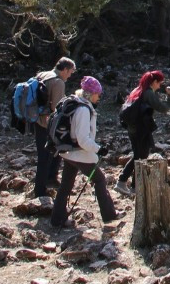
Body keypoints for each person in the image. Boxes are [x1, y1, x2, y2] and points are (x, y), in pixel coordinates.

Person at [50, 76, 119, 227]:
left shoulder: (75, 103)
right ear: (91, 94)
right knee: (99, 179)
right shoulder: (83, 109)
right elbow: (82, 139)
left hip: (68, 153)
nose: (99, 97)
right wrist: (99, 149)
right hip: (79, 154)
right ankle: (109, 215)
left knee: (66, 185)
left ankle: (57, 219)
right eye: (98, 94)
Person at [117, 70, 170, 192]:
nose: (159, 86)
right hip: (141, 129)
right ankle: (123, 182)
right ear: (154, 82)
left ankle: (133, 186)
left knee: (139, 155)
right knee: (140, 157)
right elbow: (163, 108)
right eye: (159, 83)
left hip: (132, 128)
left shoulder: (137, 90)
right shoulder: (148, 93)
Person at [33, 57, 75, 200]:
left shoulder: (42, 75)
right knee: (45, 156)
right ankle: (40, 190)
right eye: (70, 72)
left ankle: (50, 179)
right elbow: (56, 107)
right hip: (48, 124)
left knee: (52, 152)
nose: (70, 76)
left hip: (37, 120)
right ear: (65, 69)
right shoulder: (58, 82)